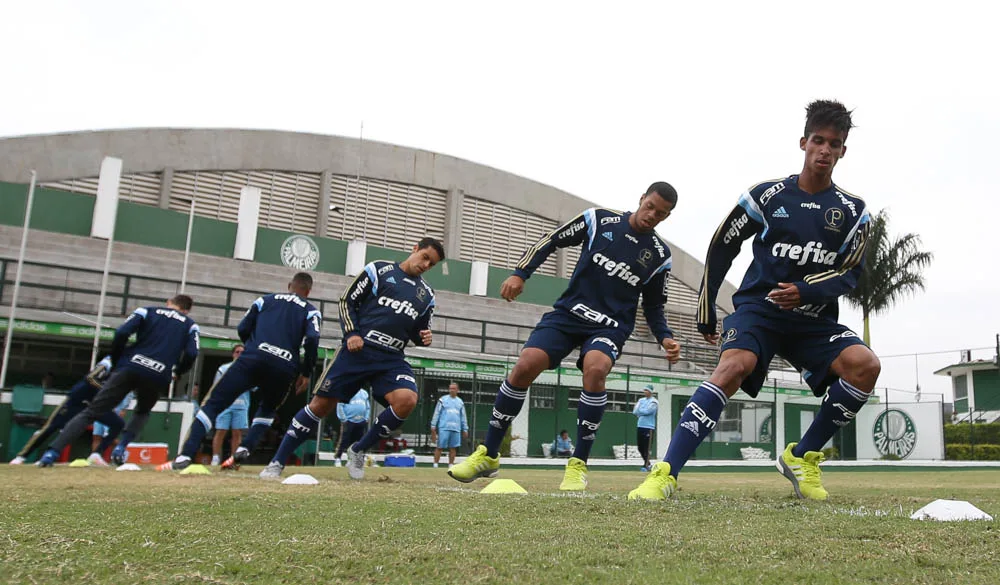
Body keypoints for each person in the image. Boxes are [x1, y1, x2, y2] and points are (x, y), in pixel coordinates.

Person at [629, 100, 880, 502]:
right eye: (818, 140)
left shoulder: (854, 212)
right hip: (759, 312)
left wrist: (807, 291)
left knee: (865, 366)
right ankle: (665, 473)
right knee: (734, 366)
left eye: (834, 144)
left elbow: (850, 272)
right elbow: (722, 244)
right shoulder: (766, 196)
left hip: (812, 319)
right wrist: (707, 303)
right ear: (803, 142)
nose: (825, 150)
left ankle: (802, 456)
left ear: (843, 151)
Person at [449, 183, 682, 491]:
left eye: (662, 214)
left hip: (609, 326)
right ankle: (489, 454)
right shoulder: (599, 219)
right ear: (641, 199)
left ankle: (577, 465)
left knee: (596, 368)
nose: (653, 215)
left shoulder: (659, 255)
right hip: (568, 314)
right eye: (650, 206)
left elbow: (653, 306)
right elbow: (551, 240)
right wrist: (521, 272)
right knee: (525, 364)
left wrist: (664, 336)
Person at [261, 237, 444, 480]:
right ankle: (276, 462)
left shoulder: (427, 295)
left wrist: (424, 337)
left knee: (407, 399)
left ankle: (358, 450)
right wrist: (352, 333)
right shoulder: (379, 270)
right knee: (320, 406)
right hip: (358, 351)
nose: (426, 265)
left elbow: (418, 331)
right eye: (425, 257)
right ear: (415, 249)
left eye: (431, 264)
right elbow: (347, 300)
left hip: (391, 358)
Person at [159, 272, 320, 472]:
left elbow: (243, 327)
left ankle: (185, 455)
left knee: (213, 404)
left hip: (252, 358)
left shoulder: (265, 300)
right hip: (284, 366)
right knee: (268, 408)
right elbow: (312, 339)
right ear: (309, 291)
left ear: (289, 285)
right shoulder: (311, 311)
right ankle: (245, 447)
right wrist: (306, 372)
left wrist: (252, 347)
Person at [37, 295, 200, 467]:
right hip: (158, 374)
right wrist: (178, 371)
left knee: (92, 411)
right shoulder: (190, 325)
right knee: (142, 412)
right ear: (187, 310)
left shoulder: (147, 310)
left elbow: (122, 332)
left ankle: (51, 453)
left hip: (130, 367)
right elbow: (192, 353)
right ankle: (121, 447)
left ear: (168, 302)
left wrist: (117, 359)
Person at [10, 357, 116, 465]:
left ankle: (96, 454)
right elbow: (90, 378)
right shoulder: (108, 362)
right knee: (51, 427)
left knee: (117, 423)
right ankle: (22, 456)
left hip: (93, 406)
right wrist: (105, 389)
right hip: (76, 400)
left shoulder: (122, 369)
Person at [210, 345, 252, 467]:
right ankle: (215, 458)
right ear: (233, 354)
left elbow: (254, 387)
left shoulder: (249, 370)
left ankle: (234, 459)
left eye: (242, 352)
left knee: (237, 433)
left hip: (241, 406)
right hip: (225, 405)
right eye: (237, 352)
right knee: (221, 431)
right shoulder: (223, 369)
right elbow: (216, 386)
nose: (239, 354)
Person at [430, 382, 469, 468]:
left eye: (453, 389)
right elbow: (437, 413)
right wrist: (433, 426)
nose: (451, 390)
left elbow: (463, 416)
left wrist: (465, 429)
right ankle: (435, 464)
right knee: (440, 446)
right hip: (444, 427)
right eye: (450, 388)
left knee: (453, 448)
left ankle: (451, 465)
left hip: (456, 428)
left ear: (457, 390)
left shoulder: (460, 402)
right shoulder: (443, 400)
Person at [89, 391, 133, 466]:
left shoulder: (127, 390)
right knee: (96, 436)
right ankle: (94, 459)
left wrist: (122, 412)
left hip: (114, 414)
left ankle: (122, 453)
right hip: (100, 412)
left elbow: (125, 405)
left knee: (111, 438)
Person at [334, 389, 370, 467]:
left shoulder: (364, 393)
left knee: (358, 442)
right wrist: (344, 419)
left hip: (361, 421)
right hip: (348, 421)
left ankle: (352, 460)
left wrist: (366, 418)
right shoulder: (345, 391)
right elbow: (340, 406)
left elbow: (367, 407)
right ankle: (338, 458)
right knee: (344, 440)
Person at [632, 384, 658, 471]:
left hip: (649, 427)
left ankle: (645, 465)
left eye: (646, 390)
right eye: (644, 390)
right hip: (640, 425)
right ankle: (649, 464)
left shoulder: (654, 402)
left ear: (650, 392)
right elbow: (635, 411)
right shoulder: (641, 400)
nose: (645, 392)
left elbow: (649, 411)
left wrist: (640, 411)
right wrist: (640, 411)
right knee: (640, 447)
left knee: (647, 447)